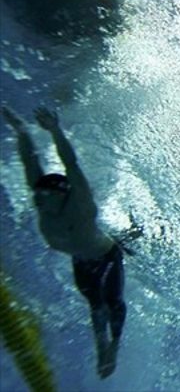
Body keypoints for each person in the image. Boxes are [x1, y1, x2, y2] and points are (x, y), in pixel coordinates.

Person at [2, 106, 126, 379]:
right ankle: (101, 346)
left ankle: (113, 345)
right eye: (37, 194)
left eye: (43, 195)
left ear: (60, 193)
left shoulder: (80, 204)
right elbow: (30, 162)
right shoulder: (46, 205)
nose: (36, 199)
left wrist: (55, 130)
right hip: (80, 259)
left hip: (106, 254)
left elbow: (71, 164)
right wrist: (21, 131)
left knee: (111, 301)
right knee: (95, 303)